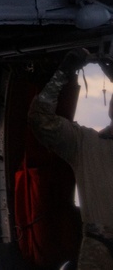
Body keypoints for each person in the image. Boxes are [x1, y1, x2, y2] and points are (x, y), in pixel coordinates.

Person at [28, 48, 113, 270]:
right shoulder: (86, 143)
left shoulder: (87, 144)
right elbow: (41, 119)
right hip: (99, 250)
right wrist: (62, 73)